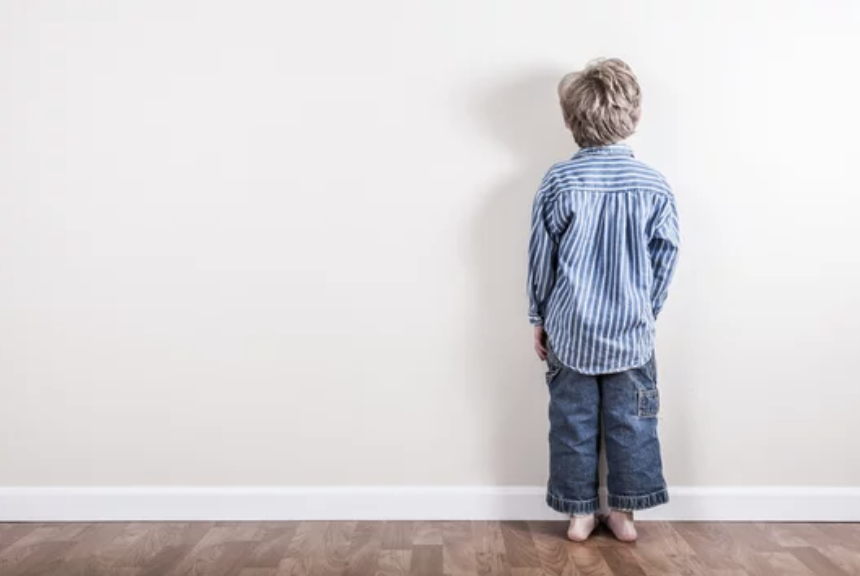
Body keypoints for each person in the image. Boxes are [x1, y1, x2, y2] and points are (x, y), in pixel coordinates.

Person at [527, 58, 680, 542]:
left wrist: (539, 316)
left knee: (572, 424)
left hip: (571, 329)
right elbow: (666, 257)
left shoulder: (559, 181)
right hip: (631, 333)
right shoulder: (654, 185)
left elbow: (540, 256)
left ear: (570, 121)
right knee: (633, 424)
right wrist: (646, 308)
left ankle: (579, 513)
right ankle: (625, 515)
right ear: (634, 118)